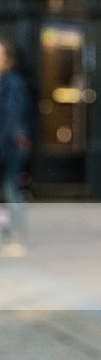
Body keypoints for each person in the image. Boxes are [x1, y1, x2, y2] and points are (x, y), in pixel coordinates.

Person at [0, 38, 33, 257]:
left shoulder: (12, 83)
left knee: (12, 190)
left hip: (8, 147)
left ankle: (16, 235)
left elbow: (11, 118)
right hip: (7, 145)